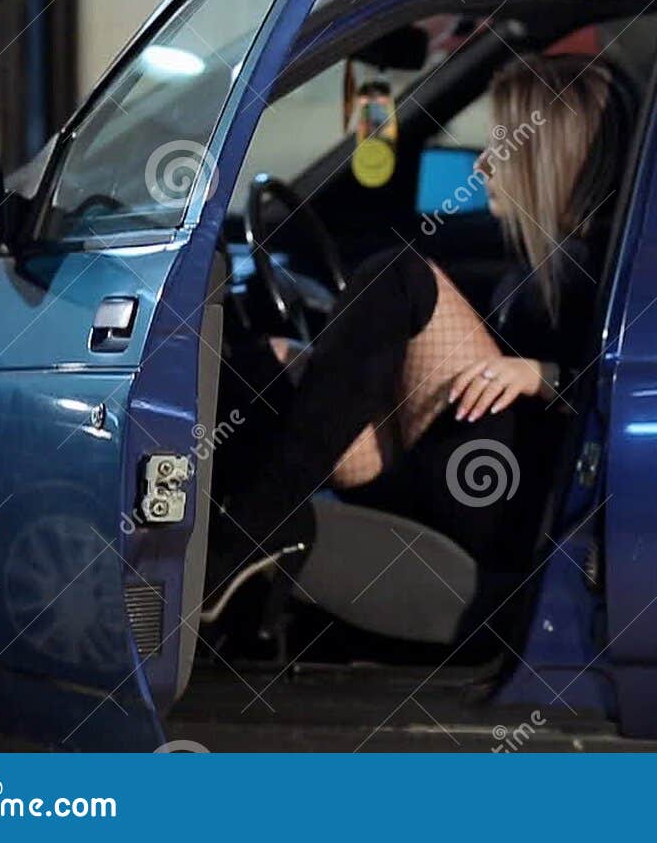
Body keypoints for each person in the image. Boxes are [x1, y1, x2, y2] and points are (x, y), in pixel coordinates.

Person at [219, 53, 631, 587]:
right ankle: (220, 551)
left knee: (400, 276)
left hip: (505, 497)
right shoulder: (532, 271)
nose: (481, 164)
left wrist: (544, 375)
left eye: (500, 147)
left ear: (545, 158)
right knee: (273, 361)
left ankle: (251, 533)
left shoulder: (603, 265)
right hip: (462, 468)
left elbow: (637, 387)